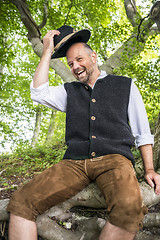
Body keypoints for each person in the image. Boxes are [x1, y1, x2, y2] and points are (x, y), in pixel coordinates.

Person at [7, 25, 160, 240]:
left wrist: (150, 168)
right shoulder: (69, 91)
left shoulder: (125, 85)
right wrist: (48, 51)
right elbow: (38, 92)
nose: (75, 66)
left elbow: (142, 132)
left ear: (94, 57)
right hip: (74, 164)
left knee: (129, 208)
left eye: (79, 59)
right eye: (70, 64)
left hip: (115, 160)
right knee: (22, 201)